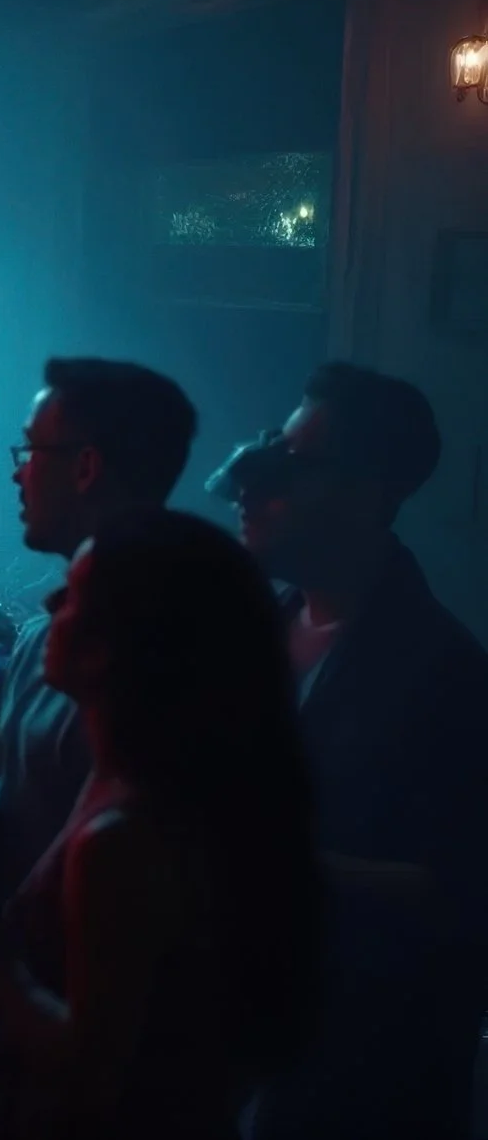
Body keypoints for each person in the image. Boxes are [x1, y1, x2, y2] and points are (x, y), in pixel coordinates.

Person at [0, 510, 320, 1138]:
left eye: (76, 595)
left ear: (131, 640)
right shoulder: (142, 782)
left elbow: (92, 1074)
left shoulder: (125, 836)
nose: (49, 602)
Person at [0, 358, 197, 1140]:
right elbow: (48, 789)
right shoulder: (45, 631)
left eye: (29, 451)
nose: (16, 473)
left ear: (85, 466)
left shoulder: (164, 646)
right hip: (6, 1028)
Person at [229, 363, 488, 1140]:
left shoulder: (446, 673)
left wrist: (271, 859)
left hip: (357, 1081)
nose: (253, 481)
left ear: (369, 494)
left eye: (292, 465)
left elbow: (460, 892)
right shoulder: (250, 629)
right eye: (268, 451)